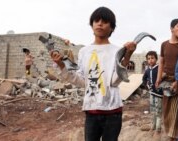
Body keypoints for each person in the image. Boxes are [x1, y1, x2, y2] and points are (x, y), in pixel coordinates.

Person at [50, 7, 136, 141]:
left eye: (105, 21)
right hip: (91, 111)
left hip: (112, 111)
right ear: (91, 25)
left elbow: (114, 81)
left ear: (112, 28)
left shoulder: (117, 51)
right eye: (96, 20)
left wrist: (127, 56)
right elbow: (82, 81)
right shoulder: (84, 51)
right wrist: (61, 66)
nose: (100, 23)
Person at [155, 18, 178, 141]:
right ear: (172, 28)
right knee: (166, 110)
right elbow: (161, 61)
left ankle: (173, 137)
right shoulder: (164, 44)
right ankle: (170, 135)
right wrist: (158, 79)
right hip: (166, 82)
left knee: (175, 111)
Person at [142, 51, 163, 136]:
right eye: (149, 59)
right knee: (153, 110)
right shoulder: (147, 70)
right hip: (151, 93)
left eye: (152, 58)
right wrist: (146, 85)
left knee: (158, 111)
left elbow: (163, 76)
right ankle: (153, 126)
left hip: (159, 93)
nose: (150, 60)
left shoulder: (159, 68)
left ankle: (158, 129)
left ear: (156, 59)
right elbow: (144, 78)